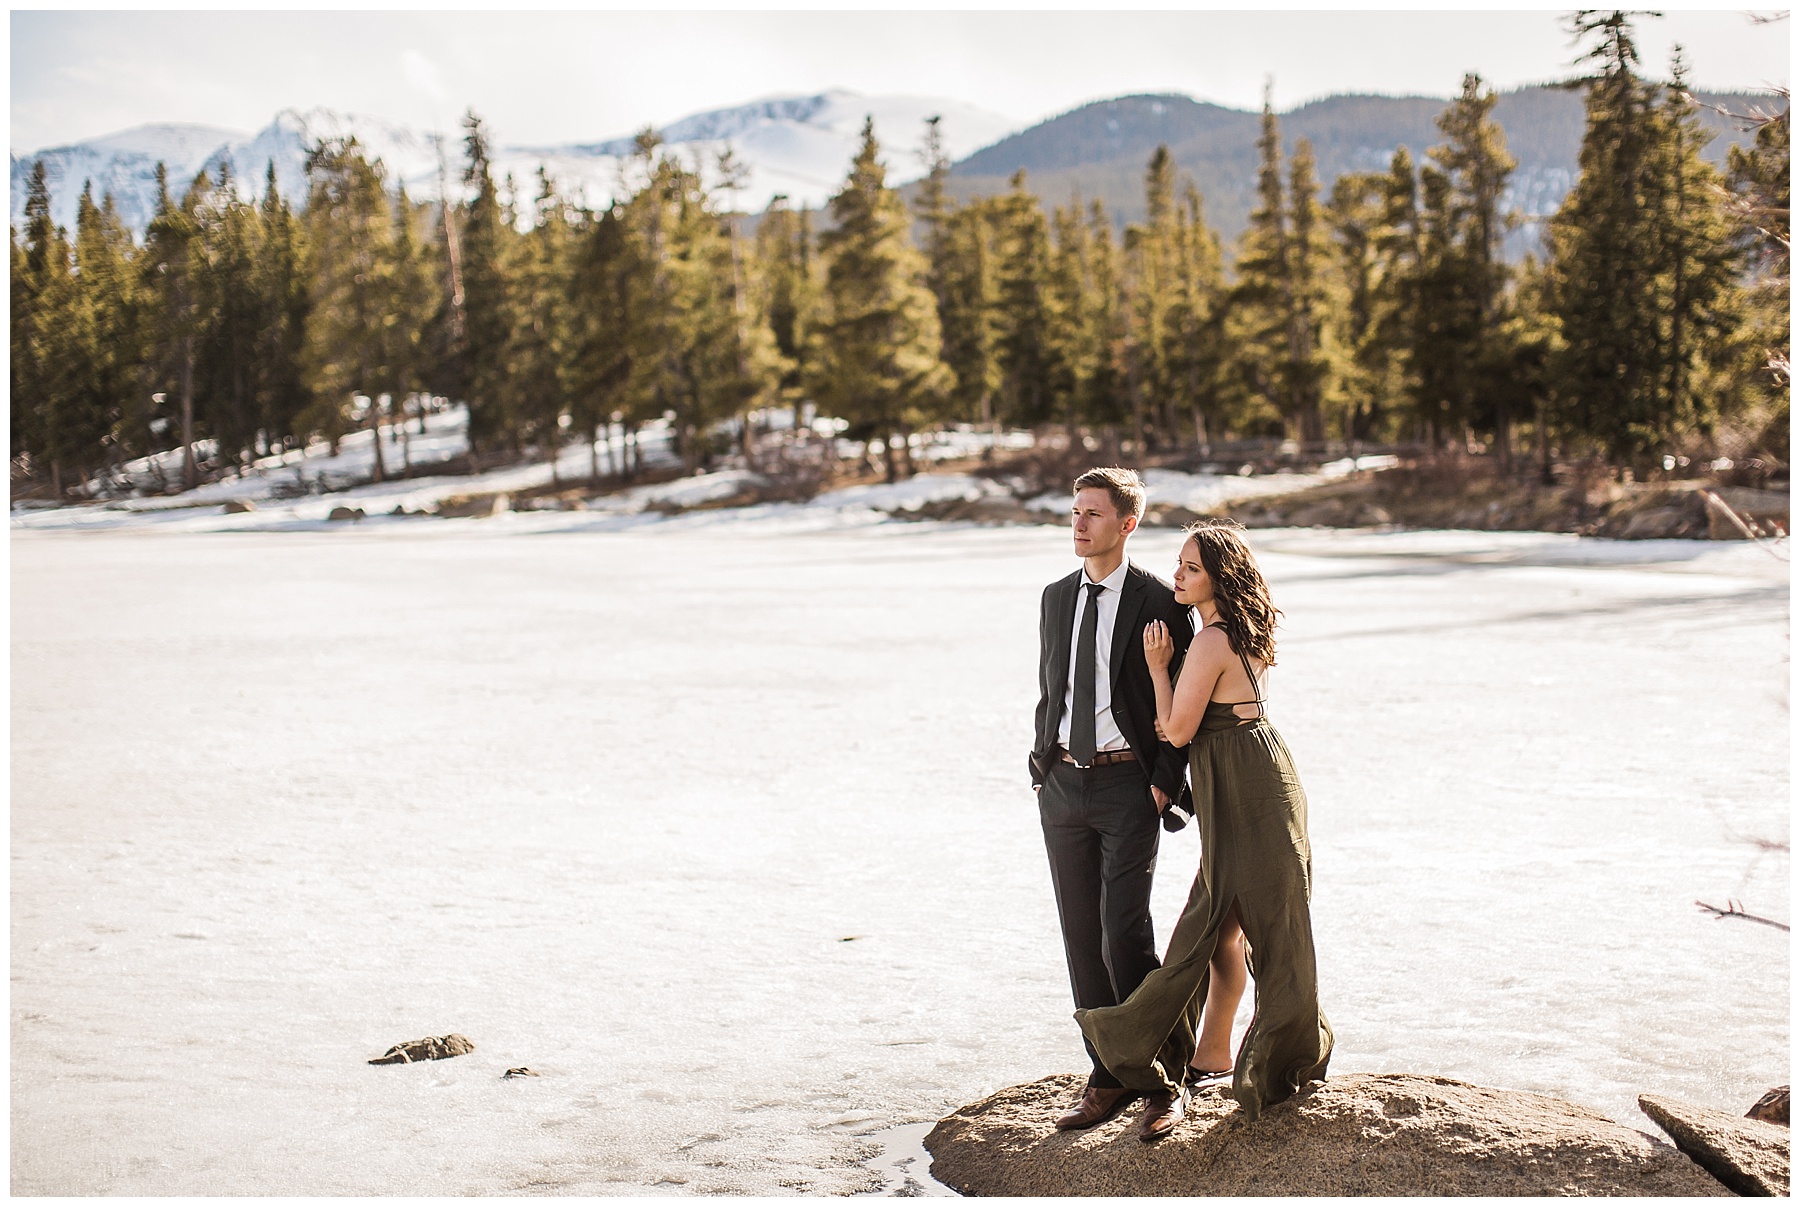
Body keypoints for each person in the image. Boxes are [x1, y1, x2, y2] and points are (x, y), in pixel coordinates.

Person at [1076, 518, 1332, 1129]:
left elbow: (1177, 729)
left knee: (1226, 920)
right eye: (1179, 565)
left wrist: (1160, 668)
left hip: (1244, 786)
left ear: (1218, 579)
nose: (1177, 577)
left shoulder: (1213, 641)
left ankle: (1232, 1053)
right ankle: (1212, 1052)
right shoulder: (1246, 627)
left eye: (1191, 569)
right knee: (1226, 925)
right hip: (1257, 775)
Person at [1029, 468, 1195, 1142]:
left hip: (1131, 786)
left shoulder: (1160, 599)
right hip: (1064, 786)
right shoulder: (1054, 597)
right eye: (1074, 511)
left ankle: (1164, 1077)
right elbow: (1052, 687)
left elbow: (1184, 700)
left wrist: (1164, 779)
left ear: (1127, 524)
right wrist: (1042, 761)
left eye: (1093, 513)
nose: (1078, 523)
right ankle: (1107, 1072)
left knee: (1122, 932)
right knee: (1080, 937)